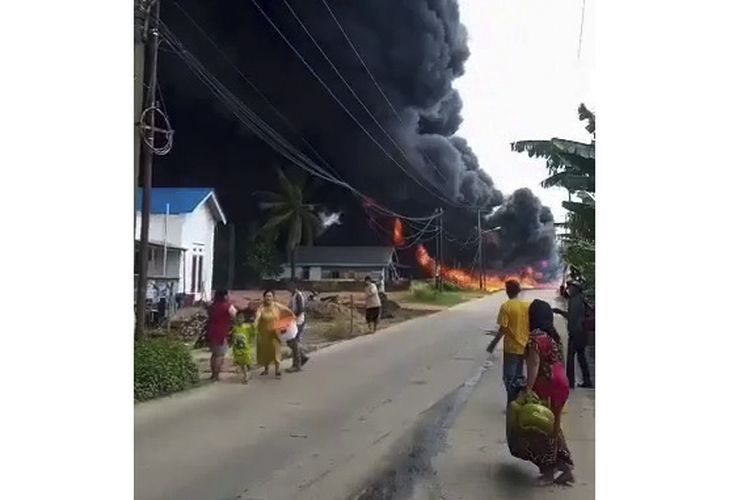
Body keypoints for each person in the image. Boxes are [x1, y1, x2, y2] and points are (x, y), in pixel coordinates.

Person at [509, 299, 575, 485]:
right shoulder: (553, 337)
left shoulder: (534, 338)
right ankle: (565, 468)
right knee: (553, 428)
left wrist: (528, 390)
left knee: (539, 430)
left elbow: (534, 364)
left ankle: (547, 472)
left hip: (546, 386)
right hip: (561, 385)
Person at [487, 280, 530, 404]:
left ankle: (512, 404)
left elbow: (503, 329)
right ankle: (519, 402)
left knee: (509, 378)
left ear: (507, 291)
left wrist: (493, 344)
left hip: (511, 348)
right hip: (524, 346)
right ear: (519, 290)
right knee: (519, 377)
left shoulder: (506, 306)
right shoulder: (526, 306)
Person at [553, 281, 593, 389]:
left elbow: (571, 317)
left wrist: (559, 311)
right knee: (581, 357)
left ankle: (569, 382)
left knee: (571, 357)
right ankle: (587, 381)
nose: (569, 289)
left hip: (576, 333)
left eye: (570, 287)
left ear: (575, 289)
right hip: (581, 332)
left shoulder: (575, 301)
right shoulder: (579, 298)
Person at [255, 290, 295, 379]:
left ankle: (277, 371)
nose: (268, 298)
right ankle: (266, 369)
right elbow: (258, 315)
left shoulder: (277, 306)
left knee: (276, 351)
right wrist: (255, 322)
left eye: (270, 296)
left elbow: (287, 310)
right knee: (265, 351)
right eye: (266, 296)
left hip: (274, 333)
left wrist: (292, 317)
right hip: (263, 333)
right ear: (264, 297)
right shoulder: (262, 307)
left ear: (273, 297)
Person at [206, 290, 237, 382]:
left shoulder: (212, 306)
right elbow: (236, 316)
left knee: (214, 354)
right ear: (224, 296)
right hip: (221, 332)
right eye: (228, 295)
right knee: (220, 355)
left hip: (211, 332)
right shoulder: (228, 306)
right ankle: (216, 375)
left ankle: (213, 374)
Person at [286, 281, 310, 373]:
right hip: (295, 321)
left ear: (293, 285)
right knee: (290, 341)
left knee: (294, 342)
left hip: (298, 321)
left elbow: (301, 309)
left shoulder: (298, 295)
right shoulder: (293, 295)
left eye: (288, 285)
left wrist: (293, 316)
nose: (287, 287)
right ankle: (302, 356)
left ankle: (297, 365)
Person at [230, 311, 256, 384]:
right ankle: (246, 376)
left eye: (241, 318)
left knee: (248, 363)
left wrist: (253, 325)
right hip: (238, 349)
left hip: (246, 348)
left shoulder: (247, 327)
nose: (239, 320)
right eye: (238, 318)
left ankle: (249, 372)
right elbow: (233, 337)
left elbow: (253, 333)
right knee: (242, 364)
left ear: (244, 319)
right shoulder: (234, 328)